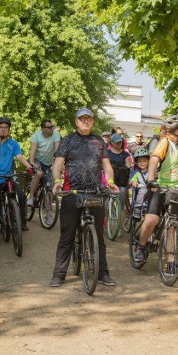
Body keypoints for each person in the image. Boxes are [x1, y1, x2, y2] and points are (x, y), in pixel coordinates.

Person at [50, 108, 118, 287]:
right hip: (72, 192)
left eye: (88, 119)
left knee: (99, 236)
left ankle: (102, 273)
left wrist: (110, 181)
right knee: (67, 235)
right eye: (82, 119)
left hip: (95, 192)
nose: (85, 121)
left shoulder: (98, 142)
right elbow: (57, 164)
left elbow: (107, 165)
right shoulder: (68, 140)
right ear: (77, 121)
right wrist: (57, 181)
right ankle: (59, 274)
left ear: (92, 121)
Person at [132, 115, 178, 278]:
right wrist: (151, 181)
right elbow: (154, 160)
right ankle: (141, 246)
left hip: (175, 191)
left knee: (171, 227)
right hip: (160, 188)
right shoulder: (164, 142)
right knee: (151, 220)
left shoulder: (177, 148)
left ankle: (171, 263)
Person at [0, 117, 35, 251]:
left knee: (21, 196)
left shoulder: (13, 144)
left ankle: (21, 222)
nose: (3, 129)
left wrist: (30, 167)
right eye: (1, 127)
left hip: (7, 178)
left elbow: (20, 157)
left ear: (9, 129)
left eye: (6, 127)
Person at [27, 119, 61, 207]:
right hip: (37, 160)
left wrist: (56, 163)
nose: (52, 129)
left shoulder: (56, 134)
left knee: (49, 184)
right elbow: (32, 150)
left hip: (49, 162)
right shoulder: (36, 136)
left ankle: (48, 208)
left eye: (52, 126)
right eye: (49, 127)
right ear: (43, 129)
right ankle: (31, 197)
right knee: (38, 174)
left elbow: (57, 150)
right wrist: (32, 162)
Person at [107, 132, 132, 219]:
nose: (119, 143)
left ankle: (119, 228)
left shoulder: (125, 154)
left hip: (122, 181)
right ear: (112, 143)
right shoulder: (107, 153)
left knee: (121, 204)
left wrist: (129, 180)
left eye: (120, 142)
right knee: (106, 201)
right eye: (117, 142)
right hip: (109, 180)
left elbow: (128, 168)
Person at [129, 148, 150, 219]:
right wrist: (133, 181)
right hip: (141, 188)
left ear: (148, 162)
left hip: (150, 189)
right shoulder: (136, 172)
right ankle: (137, 208)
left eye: (144, 161)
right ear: (137, 163)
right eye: (139, 161)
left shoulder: (151, 171)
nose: (142, 163)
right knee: (143, 190)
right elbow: (132, 179)